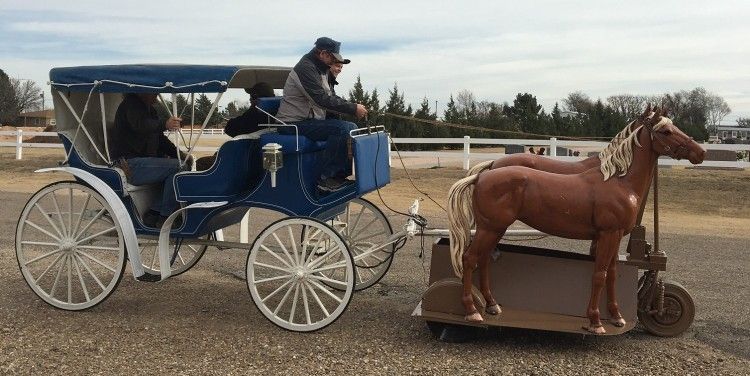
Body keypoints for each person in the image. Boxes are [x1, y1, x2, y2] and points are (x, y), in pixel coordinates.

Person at [276, 37, 367, 192]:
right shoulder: (305, 68)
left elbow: (330, 97)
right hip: (292, 124)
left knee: (348, 127)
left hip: (307, 122)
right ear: (323, 53)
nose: (333, 63)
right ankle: (327, 179)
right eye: (332, 58)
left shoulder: (321, 69)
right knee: (343, 129)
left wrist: (353, 107)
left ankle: (338, 177)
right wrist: (352, 109)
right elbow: (320, 99)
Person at [110, 93, 185, 228]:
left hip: (142, 162)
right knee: (179, 167)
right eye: (154, 91)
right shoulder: (131, 104)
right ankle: (165, 217)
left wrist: (181, 155)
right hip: (128, 164)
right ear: (143, 90)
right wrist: (165, 123)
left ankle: (154, 214)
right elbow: (141, 125)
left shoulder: (150, 110)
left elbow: (160, 140)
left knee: (180, 166)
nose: (157, 94)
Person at [195, 82, 276, 171]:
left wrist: (253, 107)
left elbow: (230, 128)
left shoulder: (255, 114)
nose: (250, 100)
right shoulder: (280, 114)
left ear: (256, 98)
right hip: (259, 157)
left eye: (252, 97)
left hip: (245, 159)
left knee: (201, 162)